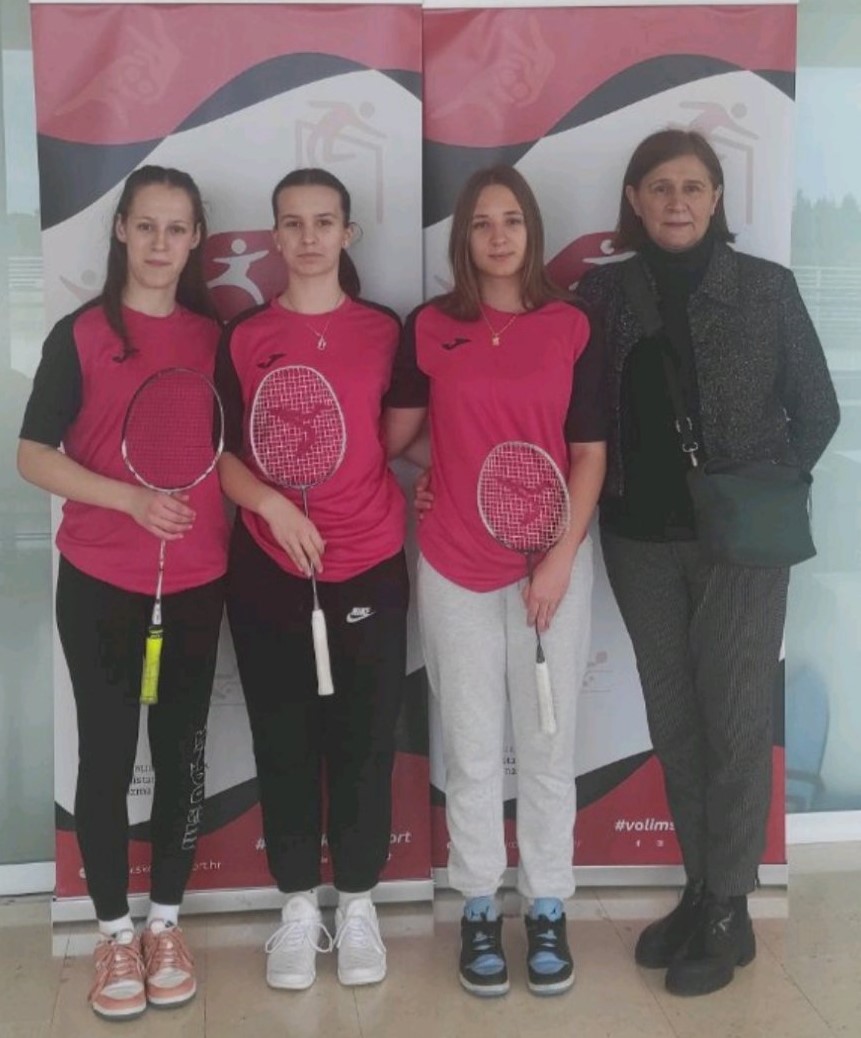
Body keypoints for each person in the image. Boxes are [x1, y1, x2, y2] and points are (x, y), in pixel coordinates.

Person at [574, 129, 839, 996]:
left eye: (692, 186)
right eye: (658, 187)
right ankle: (701, 889)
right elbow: (572, 409)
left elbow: (817, 409)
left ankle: (730, 902)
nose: (676, 201)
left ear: (716, 197)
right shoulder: (602, 294)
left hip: (740, 547)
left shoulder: (765, 288)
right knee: (675, 720)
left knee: (733, 719)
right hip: (637, 540)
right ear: (634, 199)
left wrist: (761, 492)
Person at [384, 165, 607, 996]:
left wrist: (557, 558)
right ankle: (478, 903)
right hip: (453, 566)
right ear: (463, 238)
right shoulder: (429, 327)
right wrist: (436, 469)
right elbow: (395, 438)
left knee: (547, 748)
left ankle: (546, 904)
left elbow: (588, 454)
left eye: (511, 219)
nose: (498, 235)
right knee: (473, 749)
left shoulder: (571, 324)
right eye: (481, 223)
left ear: (531, 229)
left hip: (552, 568)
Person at [17, 166, 228, 1020]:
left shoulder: (216, 340)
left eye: (176, 229)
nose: (159, 243)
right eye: (146, 226)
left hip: (197, 583)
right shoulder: (78, 335)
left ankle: (164, 925)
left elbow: (244, 456)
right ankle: (113, 934)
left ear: (195, 239)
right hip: (101, 581)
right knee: (105, 758)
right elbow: (33, 455)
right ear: (121, 231)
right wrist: (130, 500)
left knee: (181, 756)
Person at [215, 168, 408, 991]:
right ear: (274, 236)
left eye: (323, 221)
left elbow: (394, 433)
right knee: (283, 739)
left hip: (369, 563)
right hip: (269, 568)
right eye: (291, 223)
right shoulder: (244, 336)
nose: (307, 237)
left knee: (364, 742)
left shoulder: (385, 330)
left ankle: (358, 906)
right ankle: (297, 909)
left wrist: (348, 493)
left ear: (346, 233)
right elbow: (223, 454)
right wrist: (272, 503)